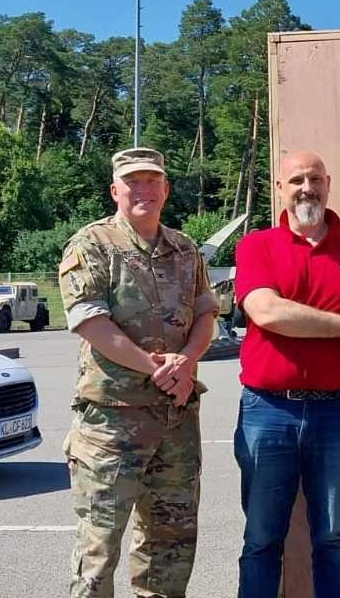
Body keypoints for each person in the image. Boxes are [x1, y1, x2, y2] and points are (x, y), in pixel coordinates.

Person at [232, 150, 340, 598]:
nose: (307, 188)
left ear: (328, 184)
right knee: (262, 538)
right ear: (280, 189)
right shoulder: (256, 246)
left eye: (315, 179)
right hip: (267, 412)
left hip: (338, 412)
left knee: (333, 537)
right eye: (296, 180)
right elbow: (266, 311)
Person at [59, 147, 218, 597]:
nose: (144, 190)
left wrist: (186, 361)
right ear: (115, 190)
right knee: (100, 548)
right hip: (111, 423)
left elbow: (207, 314)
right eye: (133, 182)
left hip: (175, 420)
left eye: (153, 181)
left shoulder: (185, 249)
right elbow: (90, 321)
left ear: (166, 189)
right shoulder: (91, 245)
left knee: (170, 542)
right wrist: (157, 369)